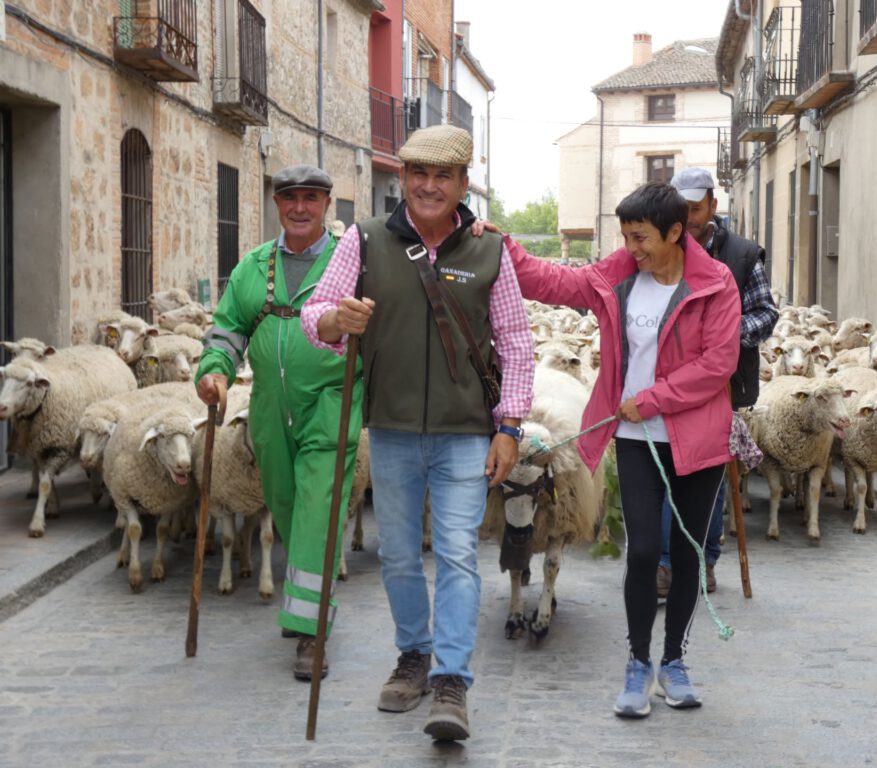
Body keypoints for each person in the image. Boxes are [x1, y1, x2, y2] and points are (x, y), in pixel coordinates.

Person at [300, 124, 534, 742]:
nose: (429, 186)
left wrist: (510, 425)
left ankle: (451, 682)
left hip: (465, 433)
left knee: (456, 551)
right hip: (394, 429)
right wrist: (333, 319)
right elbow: (313, 312)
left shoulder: (491, 251)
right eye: (417, 174)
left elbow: (515, 342)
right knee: (400, 554)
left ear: (463, 184)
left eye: (443, 176)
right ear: (402, 179)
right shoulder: (365, 240)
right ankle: (413, 654)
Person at [503, 182, 740, 718]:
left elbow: (718, 362)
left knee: (686, 556)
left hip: (697, 440)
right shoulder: (620, 274)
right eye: (626, 236)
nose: (631, 247)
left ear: (676, 233)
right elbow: (558, 282)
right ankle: (637, 663)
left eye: (641, 237)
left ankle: (673, 661)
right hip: (634, 439)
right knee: (639, 553)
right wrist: (506, 250)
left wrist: (652, 398)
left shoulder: (715, 283)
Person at [195, 164, 363, 682]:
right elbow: (227, 330)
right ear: (276, 204)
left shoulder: (349, 262)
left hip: (331, 403)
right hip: (269, 406)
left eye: (311, 198)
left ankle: (312, 635)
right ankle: (304, 599)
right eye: (290, 198)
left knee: (318, 510)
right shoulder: (253, 266)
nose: (299, 207)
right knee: (288, 508)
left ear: (327, 205)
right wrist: (215, 373)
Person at [656, 168, 778, 597]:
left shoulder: (743, 255)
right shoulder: (661, 247)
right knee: (670, 474)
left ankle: (705, 561)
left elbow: (766, 314)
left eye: (694, 208)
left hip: (722, 387)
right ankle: (667, 564)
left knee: (710, 476)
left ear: (712, 204)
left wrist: (723, 335)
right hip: (670, 384)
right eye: (681, 208)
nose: (688, 217)